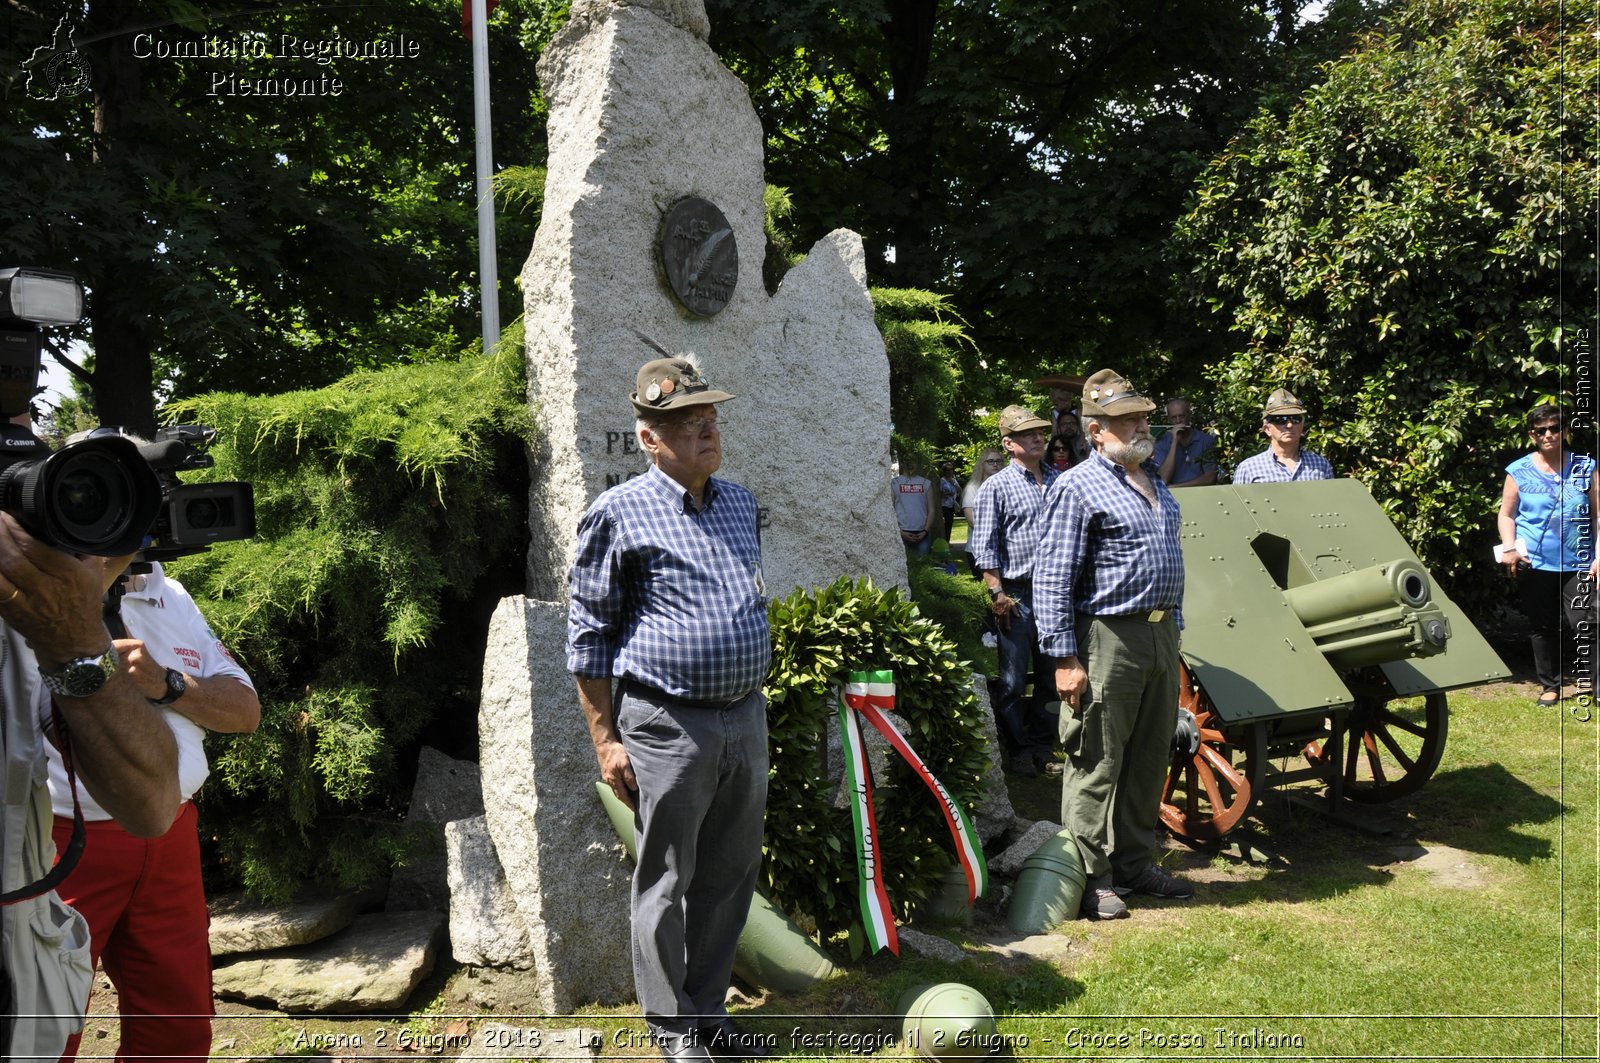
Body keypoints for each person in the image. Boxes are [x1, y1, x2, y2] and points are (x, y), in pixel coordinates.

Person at [567, 356, 771, 1063]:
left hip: (744, 714)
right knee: (666, 878)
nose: (707, 427)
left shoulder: (739, 502)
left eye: (710, 416)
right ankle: (673, 1029)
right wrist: (606, 739)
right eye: (687, 422)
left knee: (731, 871)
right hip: (666, 724)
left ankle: (709, 1012)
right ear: (649, 437)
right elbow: (588, 639)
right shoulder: (616, 514)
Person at [0, 426, 181, 1059]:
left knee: (174, 1018)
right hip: (76, 844)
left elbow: (155, 802)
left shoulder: (50, 605)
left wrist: (78, 635)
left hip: (136, 839)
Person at [48, 555, 259, 1063]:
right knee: (42, 1030)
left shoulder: (170, 593)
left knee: (177, 1030)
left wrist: (167, 682)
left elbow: (245, 712)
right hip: (58, 845)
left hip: (170, 835)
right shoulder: (24, 599)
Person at [1034, 368, 1194, 921]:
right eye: (1128, 419)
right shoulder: (1076, 486)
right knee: (1096, 759)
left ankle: (1133, 864)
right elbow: (1052, 577)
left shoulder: (1156, 481)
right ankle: (1092, 876)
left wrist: (1176, 629)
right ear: (1096, 429)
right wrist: (1064, 658)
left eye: (1143, 417)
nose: (1141, 425)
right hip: (1107, 638)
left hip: (1159, 635)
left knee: (1150, 758)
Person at [968, 406, 1060, 775]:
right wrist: (997, 593)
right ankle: (1018, 749)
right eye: (1028, 434)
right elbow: (984, 544)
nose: (1038, 438)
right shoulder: (996, 487)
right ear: (1009, 444)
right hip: (1017, 596)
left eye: (1040, 432)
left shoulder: (1060, 481)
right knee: (1012, 680)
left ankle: (1043, 746)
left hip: (1056, 594)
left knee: (1054, 678)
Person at [1497, 405, 1598, 707]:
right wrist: (1510, 546)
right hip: (1536, 562)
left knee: (1588, 623)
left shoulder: (1586, 466)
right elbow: (1507, 515)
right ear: (1532, 435)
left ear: (1565, 431)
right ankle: (1550, 687)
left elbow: (1598, 515)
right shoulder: (1518, 471)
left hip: (1580, 562)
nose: (1549, 435)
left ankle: (1596, 685)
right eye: (1541, 430)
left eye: (1554, 428)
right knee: (1542, 626)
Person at [1233, 388, 1335, 483]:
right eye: (1280, 420)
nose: (1289, 425)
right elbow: (1237, 502)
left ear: (1302, 426)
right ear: (1267, 429)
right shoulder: (1249, 469)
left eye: (1295, 419)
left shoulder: (1321, 465)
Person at [1152, 397, 1218, 488]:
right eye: (1174, 417)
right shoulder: (1161, 443)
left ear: (1189, 415)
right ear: (1169, 419)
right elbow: (1163, 479)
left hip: (1200, 494)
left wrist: (1176, 487)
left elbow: (1211, 478)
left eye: (1182, 416)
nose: (1178, 421)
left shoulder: (1205, 441)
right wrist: (1174, 443)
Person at [1035, 372, 1092, 463]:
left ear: (1067, 401)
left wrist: (1082, 439)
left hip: (1077, 437)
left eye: (1058, 402)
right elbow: (1054, 431)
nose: (1056, 405)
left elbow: (1082, 428)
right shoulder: (1055, 412)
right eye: (1054, 403)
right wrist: (1054, 443)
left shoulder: (1077, 410)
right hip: (1062, 438)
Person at [891, 459, 938, 556]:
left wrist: (925, 530)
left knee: (922, 566)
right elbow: (889, 510)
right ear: (902, 463)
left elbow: (932, 510)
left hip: (922, 533)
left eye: (913, 461)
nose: (910, 464)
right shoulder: (894, 483)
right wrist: (899, 532)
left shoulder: (925, 483)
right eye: (907, 461)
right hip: (901, 533)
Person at [937, 462, 961, 544]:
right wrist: (946, 493)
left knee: (950, 522)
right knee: (948, 521)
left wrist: (953, 482)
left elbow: (960, 490)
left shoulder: (954, 480)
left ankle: (947, 541)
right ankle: (944, 540)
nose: (950, 472)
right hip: (944, 504)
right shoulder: (942, 480)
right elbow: (939, 492)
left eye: (951, 470)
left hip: (952, 504)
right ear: (944, 471)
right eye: (948, 470)